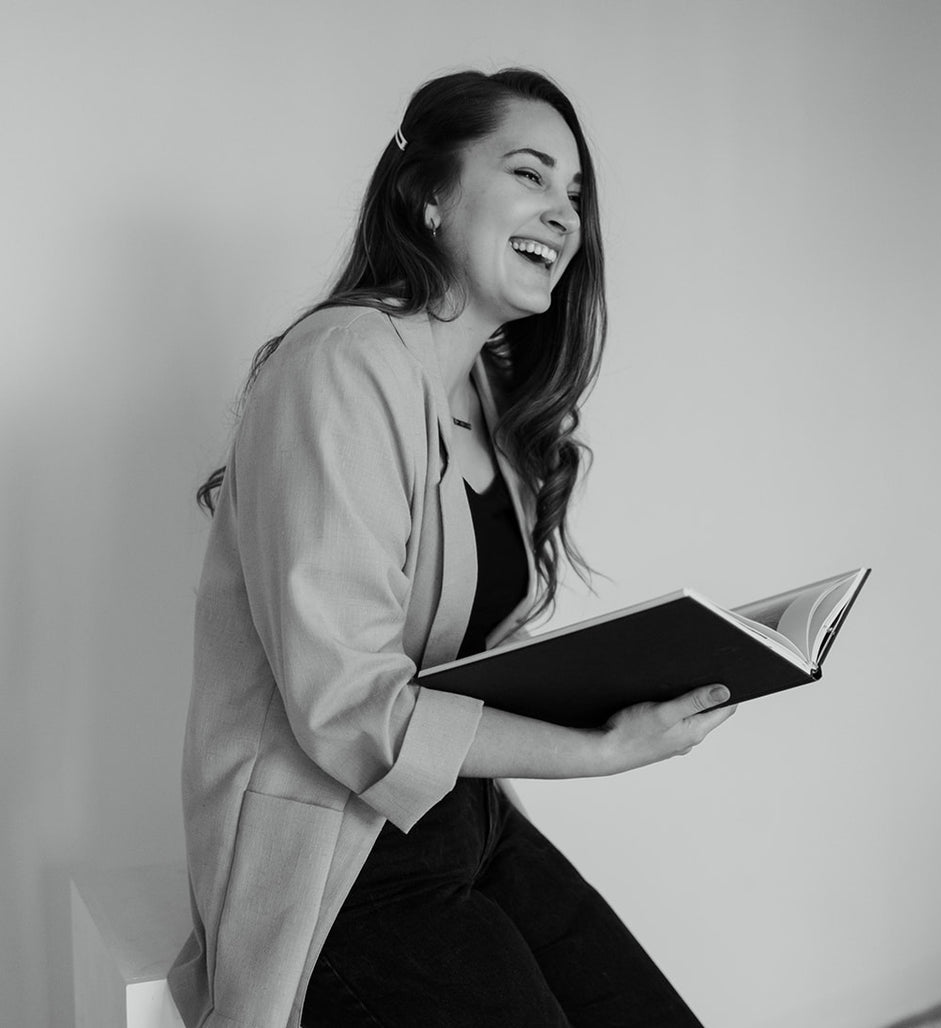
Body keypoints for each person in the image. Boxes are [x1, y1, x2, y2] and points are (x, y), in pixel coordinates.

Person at [169, 68, 735, 1028]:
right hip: (338, 866)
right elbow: (349, 708)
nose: (564, 215)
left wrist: (633, 671)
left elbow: (459, 661)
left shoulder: (480, 392)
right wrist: (596, 752)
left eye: (576, 194)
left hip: (467, 822)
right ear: (429, 196)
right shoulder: (342, 368)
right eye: (530, 174)